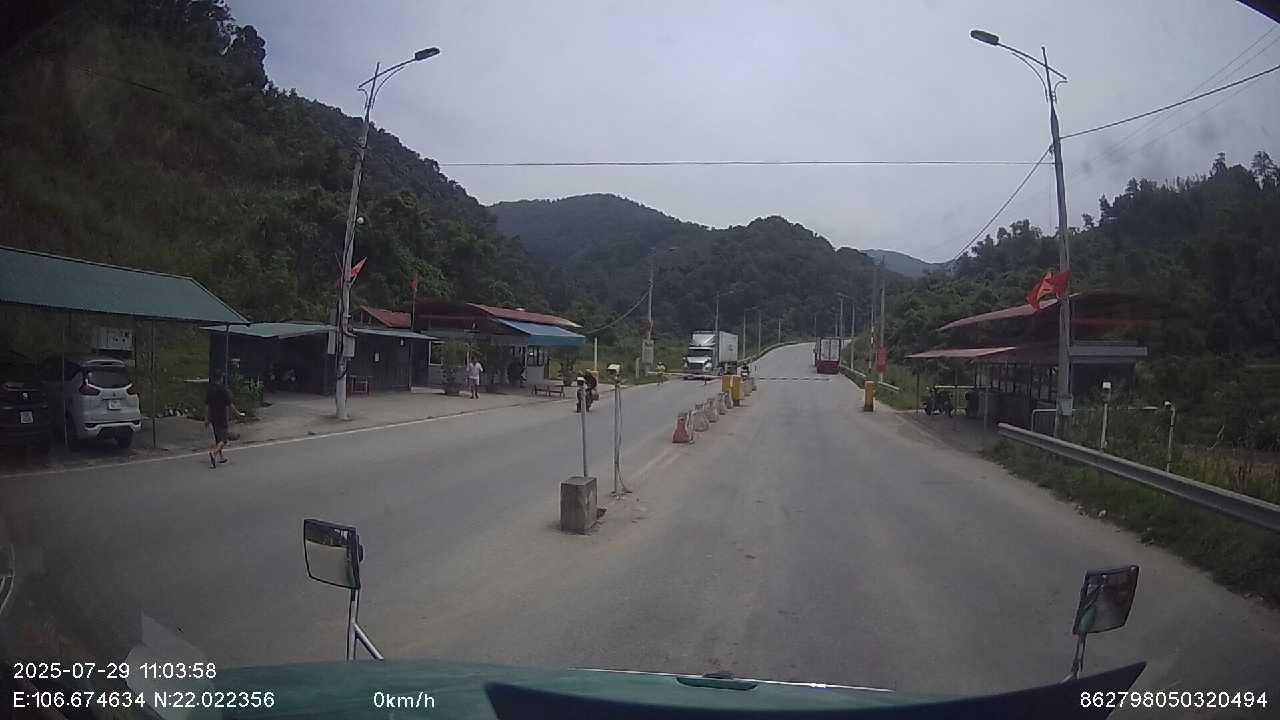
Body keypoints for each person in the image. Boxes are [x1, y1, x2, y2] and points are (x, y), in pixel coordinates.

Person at [205, 370, 242, 468]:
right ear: (220, 378)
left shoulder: (210, 390)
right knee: (224, 439)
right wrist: (238, 413)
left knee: (218, 438)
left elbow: (207, 406)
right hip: (222, 415)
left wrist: (207, 418)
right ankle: (214, 453)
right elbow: (230, 404)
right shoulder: (223, 390)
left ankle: (221, 457)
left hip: (213, 416)